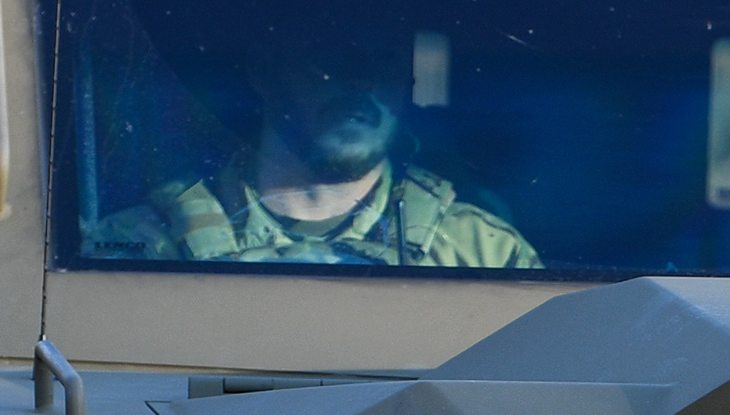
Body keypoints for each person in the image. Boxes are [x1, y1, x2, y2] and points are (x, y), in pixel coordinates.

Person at [84, 51, 538, 270]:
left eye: (386, 62)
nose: (361, 81)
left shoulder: (485, 252)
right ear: (264, 71)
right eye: (330, 55)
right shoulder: (138, 246)